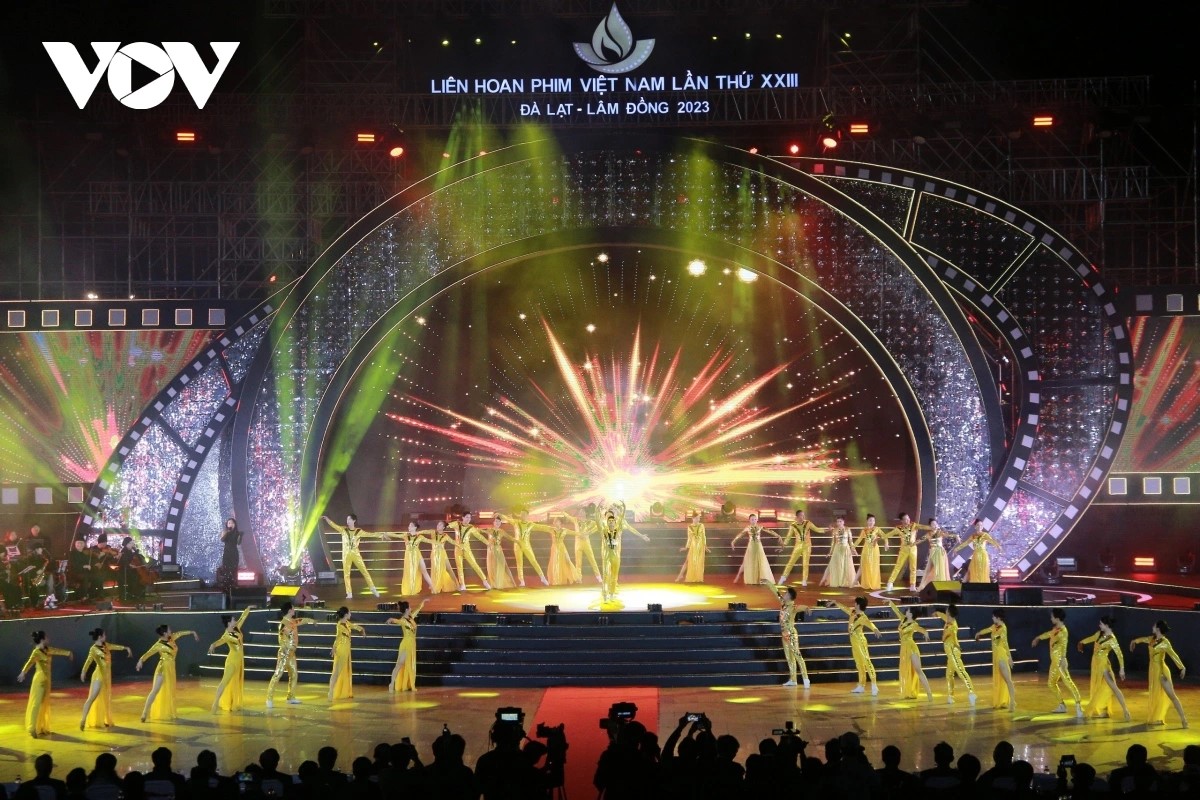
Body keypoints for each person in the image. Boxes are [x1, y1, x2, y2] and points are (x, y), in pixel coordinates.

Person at [1129, 619, 1188, 727]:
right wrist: (1134, 641)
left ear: (1158, 629)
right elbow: (1143, 639)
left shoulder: (1165, 642)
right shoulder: (1152, 639)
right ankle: (1157, 718)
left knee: (1172, 695)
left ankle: (1184, 719)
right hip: (1153, 671)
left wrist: (1182, 667)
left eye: (1154, 626)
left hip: (1161, 672)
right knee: (1155, 695)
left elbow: (1173, 655)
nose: (1152, 627)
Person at [17, 630, 74, 737]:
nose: (48, 639)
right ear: (42, 639)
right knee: (36, 704)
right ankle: (32, 728)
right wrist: (23, 672)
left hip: (47, 681)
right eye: (46, 637)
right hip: (39, 680)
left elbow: (57, 651)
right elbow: (30, 662)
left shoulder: (48, 649)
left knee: (44, 704)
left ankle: (41, 726)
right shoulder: (36, 652)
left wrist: (68, 653)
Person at [137, 624, 198, 722]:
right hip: (163, 668)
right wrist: (141, 660)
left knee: (170, 691)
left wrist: (192, 632)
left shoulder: (172, 638)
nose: (171, 631)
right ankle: (144, 712)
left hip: (171, 668)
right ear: (165, 633)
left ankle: (168, 712)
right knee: (155, 690)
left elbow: (180, 633)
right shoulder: (158, 644)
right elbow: (149, 653)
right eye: (169, 630)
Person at [1031, 607, 1084, 716]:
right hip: (1054, 662)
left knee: (1068, 682)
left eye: (1052, 617)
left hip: (1060, 662)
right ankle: (1062, 705)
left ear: (1057, 618)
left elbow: (1064, 645)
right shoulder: (1055, 629)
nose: (1050, 618)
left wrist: (1063, 659)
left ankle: (1078, 705)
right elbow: (1048, 634)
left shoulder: (1063, 631)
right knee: (1051, 683)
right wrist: (1038, 638)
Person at [321, 513, 388, 599]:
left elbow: (370, 534)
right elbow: (334, 525)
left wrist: (381, 535)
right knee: (346, 574)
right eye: (347, 519)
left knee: (365, 571)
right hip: (346, 555)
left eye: (349, 519)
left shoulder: (359, 531)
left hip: (356, 555)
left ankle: (373, 589)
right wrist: (327, 519)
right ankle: (349, 593)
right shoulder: (343, 530)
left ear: (354, 520)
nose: (347, 521)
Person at [1078, 615, 1131, 720]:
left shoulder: (1112, 639)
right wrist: (1081, 642)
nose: (1099, 625)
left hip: (1103, 666)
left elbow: (1119, 654)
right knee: (1099, 689)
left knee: (1114, 688)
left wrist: (1122, 669)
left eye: (1101, 624)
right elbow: (1091, 638)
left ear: (1106, 625)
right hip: (1096, 665)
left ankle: (1126, 711)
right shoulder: (1099, 634)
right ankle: (1103, 711)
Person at [598, 502, 650, 607]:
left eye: (615, 509)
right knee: (606, 572)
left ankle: (612, 590)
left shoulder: (621, 522)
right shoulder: (606, 522)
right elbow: (599, 526)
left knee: (614, 573)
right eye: (612, 509)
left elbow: (631, 529)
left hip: (616, 549)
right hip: (606, 549)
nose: (613, 510)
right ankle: (605, 592)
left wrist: (642, 536)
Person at [265, 602, 316, 708]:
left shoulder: (293, 621)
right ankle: (269, 698)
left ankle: (291, 697)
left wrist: (312, 621)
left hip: (291, 654)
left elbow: (302, 620)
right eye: (293, 608)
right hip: (284, 654)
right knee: (277, 675)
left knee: (294, 674)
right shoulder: (283, 624)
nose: (294, 610)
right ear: (289, 610)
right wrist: (286, 650)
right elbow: (280, 639)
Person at [80, 627, 131, 729]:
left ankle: (104, 719)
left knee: (105, 698)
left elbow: (115, 646)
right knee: (92, 698)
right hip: (99, 676)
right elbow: (88, 661)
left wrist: (126, 648)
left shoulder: (106, 645)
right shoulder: (93, 649)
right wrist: (83, 672)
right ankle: (83, 719)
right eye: (104, 635)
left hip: (106, 677)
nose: (106, 636)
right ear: (100, 637)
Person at [208, 605, 255, 713]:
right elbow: (219, 641)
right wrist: (213, 645)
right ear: (229, 623)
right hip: (232, 661)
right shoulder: (226, 635)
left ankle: (232, 703)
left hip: (239, 661)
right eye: (233, 620)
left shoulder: (236, 627)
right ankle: (215, 703)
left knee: (234, 683)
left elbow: (243, 618)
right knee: (225, 681)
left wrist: (247, 609)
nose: (235, 621)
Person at [835, 596, 881, 695]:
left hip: (860, 642)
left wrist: (875, 629)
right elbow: (845, 608)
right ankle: (861, 685)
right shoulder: (853, 612)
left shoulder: (862, 617)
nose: (854, 604)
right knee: (859, 664)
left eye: (855, 603)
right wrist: (836, 603)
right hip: (854, 642)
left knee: (867, 661)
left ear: (858, 604)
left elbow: (869, 623)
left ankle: (874, 685)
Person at [887, 602, 934, 700]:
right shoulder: (903, 619)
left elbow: (920, 629)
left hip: (911, 648)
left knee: (918, 670)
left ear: (911, 614)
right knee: (906, 670)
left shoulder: (914, 624)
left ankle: (929, 693)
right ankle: (909, 691)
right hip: (904, 648)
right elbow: (897, 611)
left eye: (908, 610)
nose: (906, 611)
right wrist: (890, 603)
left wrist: (925, 633)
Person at [932, 604, 977, 706]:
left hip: (953, 651)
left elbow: (944, 638)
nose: (945, 611)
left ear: (949, 612)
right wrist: (937, 613)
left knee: (961, 672)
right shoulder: (949, 620)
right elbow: (943, 616)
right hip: (950, 653)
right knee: (949, 674)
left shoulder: (952, 626)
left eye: (947, 610)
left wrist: (945, 635)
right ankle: (951, 696)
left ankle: (972, 692)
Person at [974, 609, 1017, 710]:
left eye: (993, 616)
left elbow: (1005, 643)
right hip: (996, 657)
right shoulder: (994, 627)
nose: (992, 618)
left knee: (1008, 680)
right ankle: (1002, 701)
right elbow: (987, 630)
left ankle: (1012, 702)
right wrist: (979, 633)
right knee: (1001, 680)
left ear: (998, 617)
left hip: (1001, 656)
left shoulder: (1003, 628)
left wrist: (1010, 657)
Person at [498, 508, 549, 587]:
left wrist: (553, 529)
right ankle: (522, 581)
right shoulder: (516, 522)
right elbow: (507, 518)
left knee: (533, 561)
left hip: (527, 546)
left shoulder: (530, 524)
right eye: (521, 514)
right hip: (517, 545)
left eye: (524, 514)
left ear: (527, 515)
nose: (522, 516)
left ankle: (542, 577)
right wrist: (499, 514)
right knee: (519, 563)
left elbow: (542, 527)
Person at [731, 512, 782, 585]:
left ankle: (760, 579)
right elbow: (740, 534)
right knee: (745, 562)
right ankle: (738, 576)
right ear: (749, 520)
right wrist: (734, 541)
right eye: (752, 519)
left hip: (758, 546)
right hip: (751, 547)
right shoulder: (747, 528)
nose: (754, 521)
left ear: (757, 520)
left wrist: (778, 535)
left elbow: (769, 531)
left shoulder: (760, 527)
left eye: (755, 519)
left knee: (761, 562)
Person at [386, 599, 425, 692]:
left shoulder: (411, 617)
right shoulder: (403, 620)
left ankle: (410, 684)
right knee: (400, 664)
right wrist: (391, 620)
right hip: (406, 644)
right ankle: (392, 683)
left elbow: (418, 609)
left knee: (410, 664)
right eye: (410, 607)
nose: (411, 608)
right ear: (407, 609)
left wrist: (423, 602)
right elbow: (397, 621)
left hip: (412, 644)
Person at [328, 606, 366, 701]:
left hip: (346, 650)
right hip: (341, 650)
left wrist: (362, 629)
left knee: (342, 671)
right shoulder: (339, 625)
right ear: (345, 614)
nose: (350, 614)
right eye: (349, 612)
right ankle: (331, 692)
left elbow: (354, 626)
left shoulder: (347, 623)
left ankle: (340, 691)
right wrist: (333, 648)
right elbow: (337, 638)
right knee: (336, 672)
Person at [447, 512, 492, 591]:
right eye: (467, 517)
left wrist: (487, 543)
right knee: (459, 567)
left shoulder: (471, 527)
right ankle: (462, 584)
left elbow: (479, 536)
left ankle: (485, 581)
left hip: (467, 549)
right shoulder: (457, 524)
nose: (468, 519)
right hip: (458, 549)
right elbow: (447, 525)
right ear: (463, 517)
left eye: (470, 518)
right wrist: (442, 526)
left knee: (474, 564)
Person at [780, 508, 822, 586]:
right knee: (791, 562)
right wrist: (784, 545)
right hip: (798, 546)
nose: (803, 517)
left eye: (803, 515)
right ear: (797, 516)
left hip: (807, 546)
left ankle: (804, 580)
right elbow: (788, 536)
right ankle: (783, 577)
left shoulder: (808, 523)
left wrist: (826, 530)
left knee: (805, 564)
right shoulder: (793, 525)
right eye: (801, 515)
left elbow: (817, 529)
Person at [778, 586, 810, 688]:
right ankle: (793, 679)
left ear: (789, 596)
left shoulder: (792, 607)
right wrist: (768, 583)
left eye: (786, 593)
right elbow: (776, 592)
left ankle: (806, 678)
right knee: (789, 657)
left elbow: (801, 607)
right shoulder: (783, 603)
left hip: (791, 634)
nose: (784, 594)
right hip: (784, 634)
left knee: (797, 655)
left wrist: (806, 608)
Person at [885, 513, 924, 592]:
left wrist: (932, 527)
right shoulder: (898, 529)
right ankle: (890, 583)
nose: (908, 520)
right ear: (902, 521)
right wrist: (886, 543)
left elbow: (923, 527)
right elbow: (886, 535)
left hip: (913, 548)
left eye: (908, 518)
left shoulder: (913, 525)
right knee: (898, 566)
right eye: (905, 519)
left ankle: (912, 585)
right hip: (903, 549)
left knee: (913, 567)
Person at [854, 514, 891, 591]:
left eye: (873, 520)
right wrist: (853, 546)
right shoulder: (864, 530)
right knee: (864, 565)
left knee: (874, 566)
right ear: (867, 521)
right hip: (866, 549)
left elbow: (885, 536)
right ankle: (866, 583)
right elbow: (859, 539)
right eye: (870, 520)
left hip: (874, 550)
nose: (872, 522)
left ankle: (873, 583)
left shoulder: (877, 529)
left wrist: (886, 543)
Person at [397, 522, 432, 596]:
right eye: (409, 526)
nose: (409, 527)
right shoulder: (405, 535)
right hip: (409, 557)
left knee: (424, 571)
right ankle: (411, 589)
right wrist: (385, 534)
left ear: (415, 527)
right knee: (410, 573)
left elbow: (429, 541)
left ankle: (433, 586)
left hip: (417, 555)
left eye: (410, 526)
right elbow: (395, 535)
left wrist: (438, 543)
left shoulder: (420, 536)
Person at [820, 517, 857, 588]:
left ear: (843, 522)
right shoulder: (835, 530)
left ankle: (844, 582)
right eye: (838, 521)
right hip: (837, 550)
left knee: (845, 565)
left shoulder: (848, 529)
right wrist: (830, 552)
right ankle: (838, 581)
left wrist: (853, 550)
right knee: (836, 565)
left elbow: (851, 541)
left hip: (846, 549)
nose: (839, 523)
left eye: (840, 521)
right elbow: (833, 542)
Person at [570, 505, 603, 584]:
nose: (580, 513)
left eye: (582, 512)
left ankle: (599, 577)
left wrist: (589, 533)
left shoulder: (590, 522)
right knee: (578, 562)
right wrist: (562, 512)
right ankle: (579, 578)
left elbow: (598, 526)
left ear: (585, 513)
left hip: (586, 543)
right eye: (580, 512)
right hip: (578, 544)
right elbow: (568, 516)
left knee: (592, 560)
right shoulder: (575, 520)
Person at [916, 520, 952, 591]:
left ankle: (941, 586)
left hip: (940, 552)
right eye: (933, 524)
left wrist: (956, 536)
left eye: (936, 524)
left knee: (940, 569)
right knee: (930, 569)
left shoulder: (940, 532)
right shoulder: (928, 534)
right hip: (933, 552)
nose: (935, 525)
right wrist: (911, 544)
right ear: (930, 526)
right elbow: (920, 540)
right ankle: (925, 586)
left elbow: (948, 535)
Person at [426, 521, 460, 594]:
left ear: (443, 527)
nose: (438, 526)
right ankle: (436, 585)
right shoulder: (433, 532)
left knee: (449, 569)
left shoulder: (445, 536)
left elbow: (453, 542)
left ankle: (457, 585)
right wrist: (416, 533)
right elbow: (424, 531)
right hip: (434, 554)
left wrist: (461, 546)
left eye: (440, 525)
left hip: (442, 554)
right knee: (435, 570)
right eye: (438, 524)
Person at [677, 511, 710, 583]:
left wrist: (705, 546)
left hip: (700, 547)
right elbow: (689, 538)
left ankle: (697, 578)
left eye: (699, 518)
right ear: (693, 518)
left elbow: (703, 536)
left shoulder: (701, 525)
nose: (698, 519)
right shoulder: (690, 527)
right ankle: (680, 575)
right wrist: (686, 547)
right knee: (688, 561)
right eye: (697, 518)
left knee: (699, 562)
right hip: (693, 546)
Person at [483, 517, 515, 589]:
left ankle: (506, 582)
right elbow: (481, 533)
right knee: (493, 566)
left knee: (503, 565)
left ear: (500, 523)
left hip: (499, 550)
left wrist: (517, 541)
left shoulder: (502, 531)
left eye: (499, 522)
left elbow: (510, 537)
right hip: (491, 550)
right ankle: (494, 583)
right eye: (496, 521)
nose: (497, 523)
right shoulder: (489, 530)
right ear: (493, 522)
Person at [216, 518, 243, 598]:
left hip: (234, 553)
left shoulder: (237, 533)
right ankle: (226, 590)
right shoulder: (225, 532)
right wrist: (227, 532)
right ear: (227, 525)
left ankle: (234, 589)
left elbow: (238, 543)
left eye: (232, 523)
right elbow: (222, 539)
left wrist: (240, 536)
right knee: (226, 570)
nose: (230, 524)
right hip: (227, 554)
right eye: (229, 523)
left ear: (235, 524)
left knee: (234, 571)